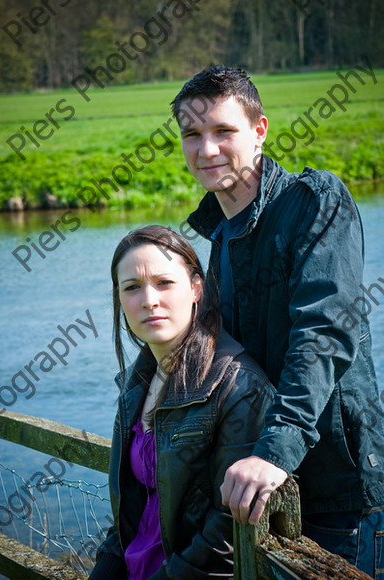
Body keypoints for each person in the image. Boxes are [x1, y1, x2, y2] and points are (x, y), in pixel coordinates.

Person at [170, 65, 384, 577]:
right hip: (258, 491)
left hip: (338, 492)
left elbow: (322, 334)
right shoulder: (217, 239)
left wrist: (274, 452)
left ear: (259, 130)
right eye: (192, 135)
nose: (207, 150)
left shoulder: (315, 203)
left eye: (224, 131)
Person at [88, 225, 275, 579]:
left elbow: (226, 537)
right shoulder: (135, 384)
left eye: (164, 283)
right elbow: (129, 511)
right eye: (131, 288)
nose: (148, 300)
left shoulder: (239, 387)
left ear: (196, 288)